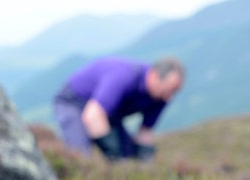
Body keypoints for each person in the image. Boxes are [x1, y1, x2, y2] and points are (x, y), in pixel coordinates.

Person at [53, 56, 185, 161]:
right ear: (155, 76)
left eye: (175, 91)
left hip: (109, 113)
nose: (170, 97)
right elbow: (93, 116)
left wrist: (144, 157)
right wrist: (112, 151)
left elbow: (145, 132)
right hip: (74, 102)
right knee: (81, 155)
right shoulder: (124, 77)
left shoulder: (161, 97)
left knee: (127, 156)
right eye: (170, 89)